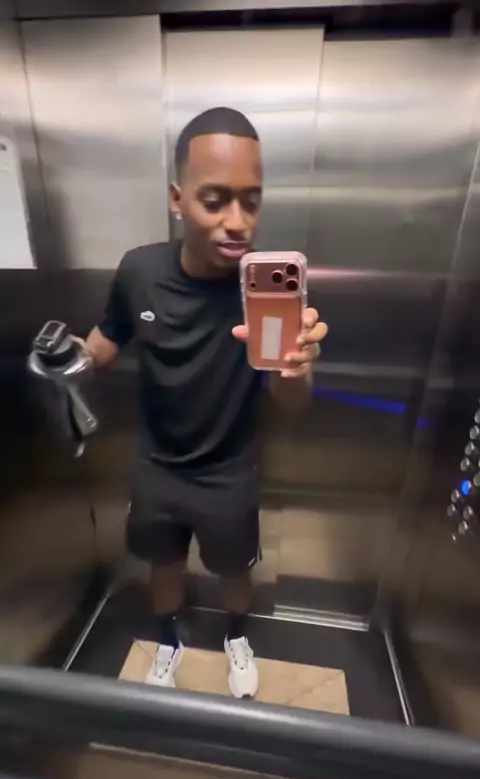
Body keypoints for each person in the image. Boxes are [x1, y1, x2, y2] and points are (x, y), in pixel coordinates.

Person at [81, 107, 328, 699]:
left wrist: (296, 369)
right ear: (177, 198)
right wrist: (66, 358)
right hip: (158, 466)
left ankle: (237, 636)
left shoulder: (268, 288)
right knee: (163, 566)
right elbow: (105, 342)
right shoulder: (140, 271)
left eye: (251, 201)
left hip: (229, 470)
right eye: (214, 201)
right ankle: (168, 640)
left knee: (234, 570)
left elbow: (290, 402)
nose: (237, 222)